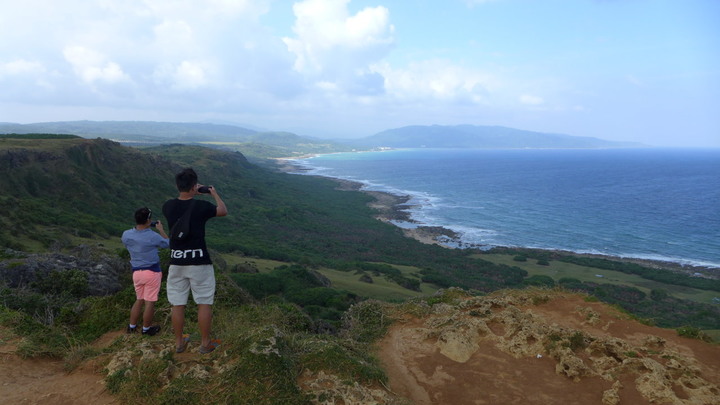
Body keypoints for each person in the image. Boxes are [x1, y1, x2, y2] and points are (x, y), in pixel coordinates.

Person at [162, 168, 227, 354]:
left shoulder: (167, 206)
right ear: (194, 186)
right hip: (199, 262)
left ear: (177, 185)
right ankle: (205, 344)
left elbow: (180, 204)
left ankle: (179, 343)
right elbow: (223, 211)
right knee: (204, 302)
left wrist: (190, 192)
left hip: (177, 262)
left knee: (177, 303)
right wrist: (213, 193)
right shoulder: (201, 206)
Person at [121, 207, 169, 336]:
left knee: (139, 299)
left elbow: (127, 245)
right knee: (150, 302)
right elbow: (168, 243)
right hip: (152, 272)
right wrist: (161, 230)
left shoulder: (126, 234)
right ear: (148, 220)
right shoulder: (153, 236)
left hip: (136, 272)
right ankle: (146, 329)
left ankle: (132, 327)